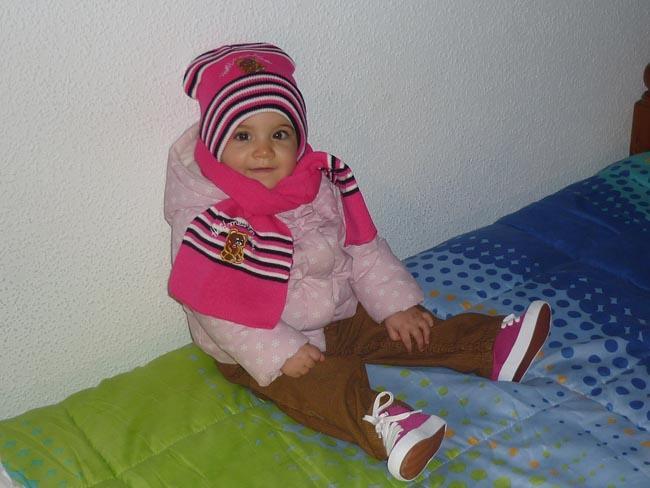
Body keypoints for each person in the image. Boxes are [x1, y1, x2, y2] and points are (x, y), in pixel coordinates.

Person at [164, 42, 551, 482]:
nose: (264, 151)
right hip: (256, 345)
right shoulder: (212, 220)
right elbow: (216, 305)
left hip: (336, 311)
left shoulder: (316, 184)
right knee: (320, 383)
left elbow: (362, 248)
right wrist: (281, 350)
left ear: (298, 139)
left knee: (405, 327)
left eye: (279, 135)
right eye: (243, 136)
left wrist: (395, 306)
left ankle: (487, 346)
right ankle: (383, 427)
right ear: (216, 143)